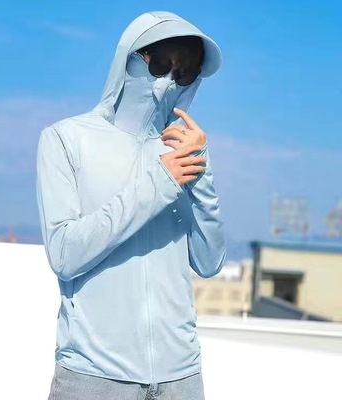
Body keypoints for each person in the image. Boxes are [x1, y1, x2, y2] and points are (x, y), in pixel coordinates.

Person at [37, 11, 226, 400]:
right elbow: (64, 253)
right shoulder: (66, 139)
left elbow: (210, 262)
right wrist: (159, 183)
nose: (170, 78)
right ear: (130, 59)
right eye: (162, 61)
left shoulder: (182, 152)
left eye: (186, 70)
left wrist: (201, 173)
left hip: (182, 378)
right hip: (93, 377)